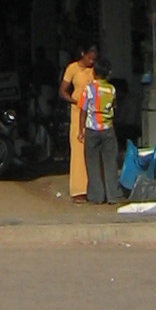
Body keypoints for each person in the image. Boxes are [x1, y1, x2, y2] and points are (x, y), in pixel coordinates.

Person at [59, 43, 96, 201]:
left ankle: (94, 187)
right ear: (83, 54)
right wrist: (74, 101)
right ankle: (79, 189)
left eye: (94, 59)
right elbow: (62, 91)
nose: (91, 62)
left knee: (93, 147)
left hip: (94, 112)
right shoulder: (72, 68)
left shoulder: (95, 70)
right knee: (78, 148)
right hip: (77, 111)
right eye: (89, 58)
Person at [81, 57, 120, 204]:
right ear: (108, 73)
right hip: (108, 129)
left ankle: (96, 196)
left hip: (91, 129)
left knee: (92, 163)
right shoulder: (112, 89)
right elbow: (114, 107)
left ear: (94, 72)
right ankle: (113, 196)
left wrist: (81, 130)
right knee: (110, 162)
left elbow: (83, 110)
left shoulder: (89, 88)